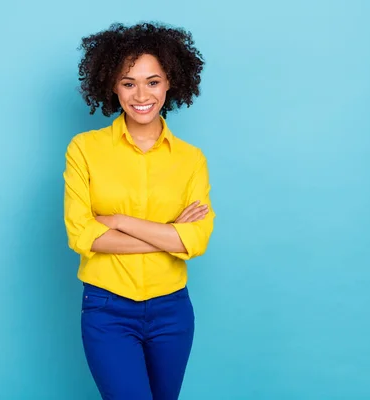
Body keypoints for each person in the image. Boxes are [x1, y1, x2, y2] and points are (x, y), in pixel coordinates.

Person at [63, 22, 215, 400]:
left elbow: (195, 241)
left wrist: (119, 222)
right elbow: (82, 235)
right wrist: (168, 234)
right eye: (128, 82)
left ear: (170, 83)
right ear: (112, 86)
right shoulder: (84, 149)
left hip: (172, 312)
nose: (141, 94)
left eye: (153, 81)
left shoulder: (191, 159)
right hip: (107, 309)